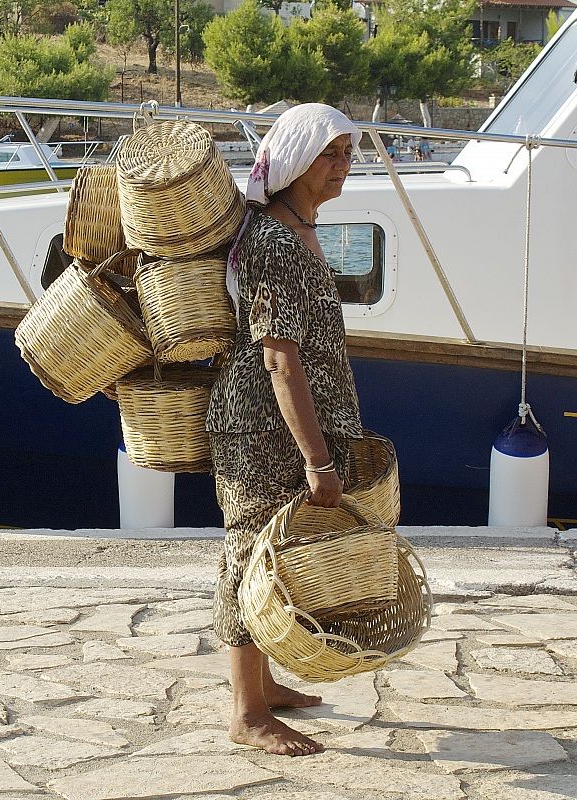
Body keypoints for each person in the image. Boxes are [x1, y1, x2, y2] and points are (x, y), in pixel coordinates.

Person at [206, 103, 365, 757]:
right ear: (297, 160)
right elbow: (278, 358)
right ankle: (246, 713)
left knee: (276, 555)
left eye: (348, 154)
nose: (342, 165)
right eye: (330, 153)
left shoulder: (299, 230)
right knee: (249, 557)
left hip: (282, 427)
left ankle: (265, 686)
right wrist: (317, 459)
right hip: (259, 429)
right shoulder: (273, 241)